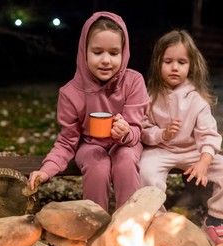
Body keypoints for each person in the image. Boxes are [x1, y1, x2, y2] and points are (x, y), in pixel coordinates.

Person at [29, 11, 149, 212]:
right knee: (97, 164)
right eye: (97, 52)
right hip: (90, 145)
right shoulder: (71, 93)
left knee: (125, 159)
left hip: (126, 145)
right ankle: (94, 225)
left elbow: (136, 130)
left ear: (124, 52)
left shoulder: (133, 82)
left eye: (113, 53)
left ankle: (129, 223)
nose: (105, 60)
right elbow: (67, 142)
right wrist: (46, 170)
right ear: (84, 51)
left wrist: (125, 132)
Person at [139, 29, 223, 246]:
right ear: (158, 63)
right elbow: (144, 129)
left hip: (192, 152)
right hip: (160, 151)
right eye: (168, 61)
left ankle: (214, 221)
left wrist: (204, 162)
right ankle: (158, 220)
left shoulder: (197, 99)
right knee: (146, 171)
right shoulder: (151, 96)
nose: (175, 67)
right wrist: (162, 133)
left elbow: (208, 134)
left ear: (191, 66)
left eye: (181, 62)